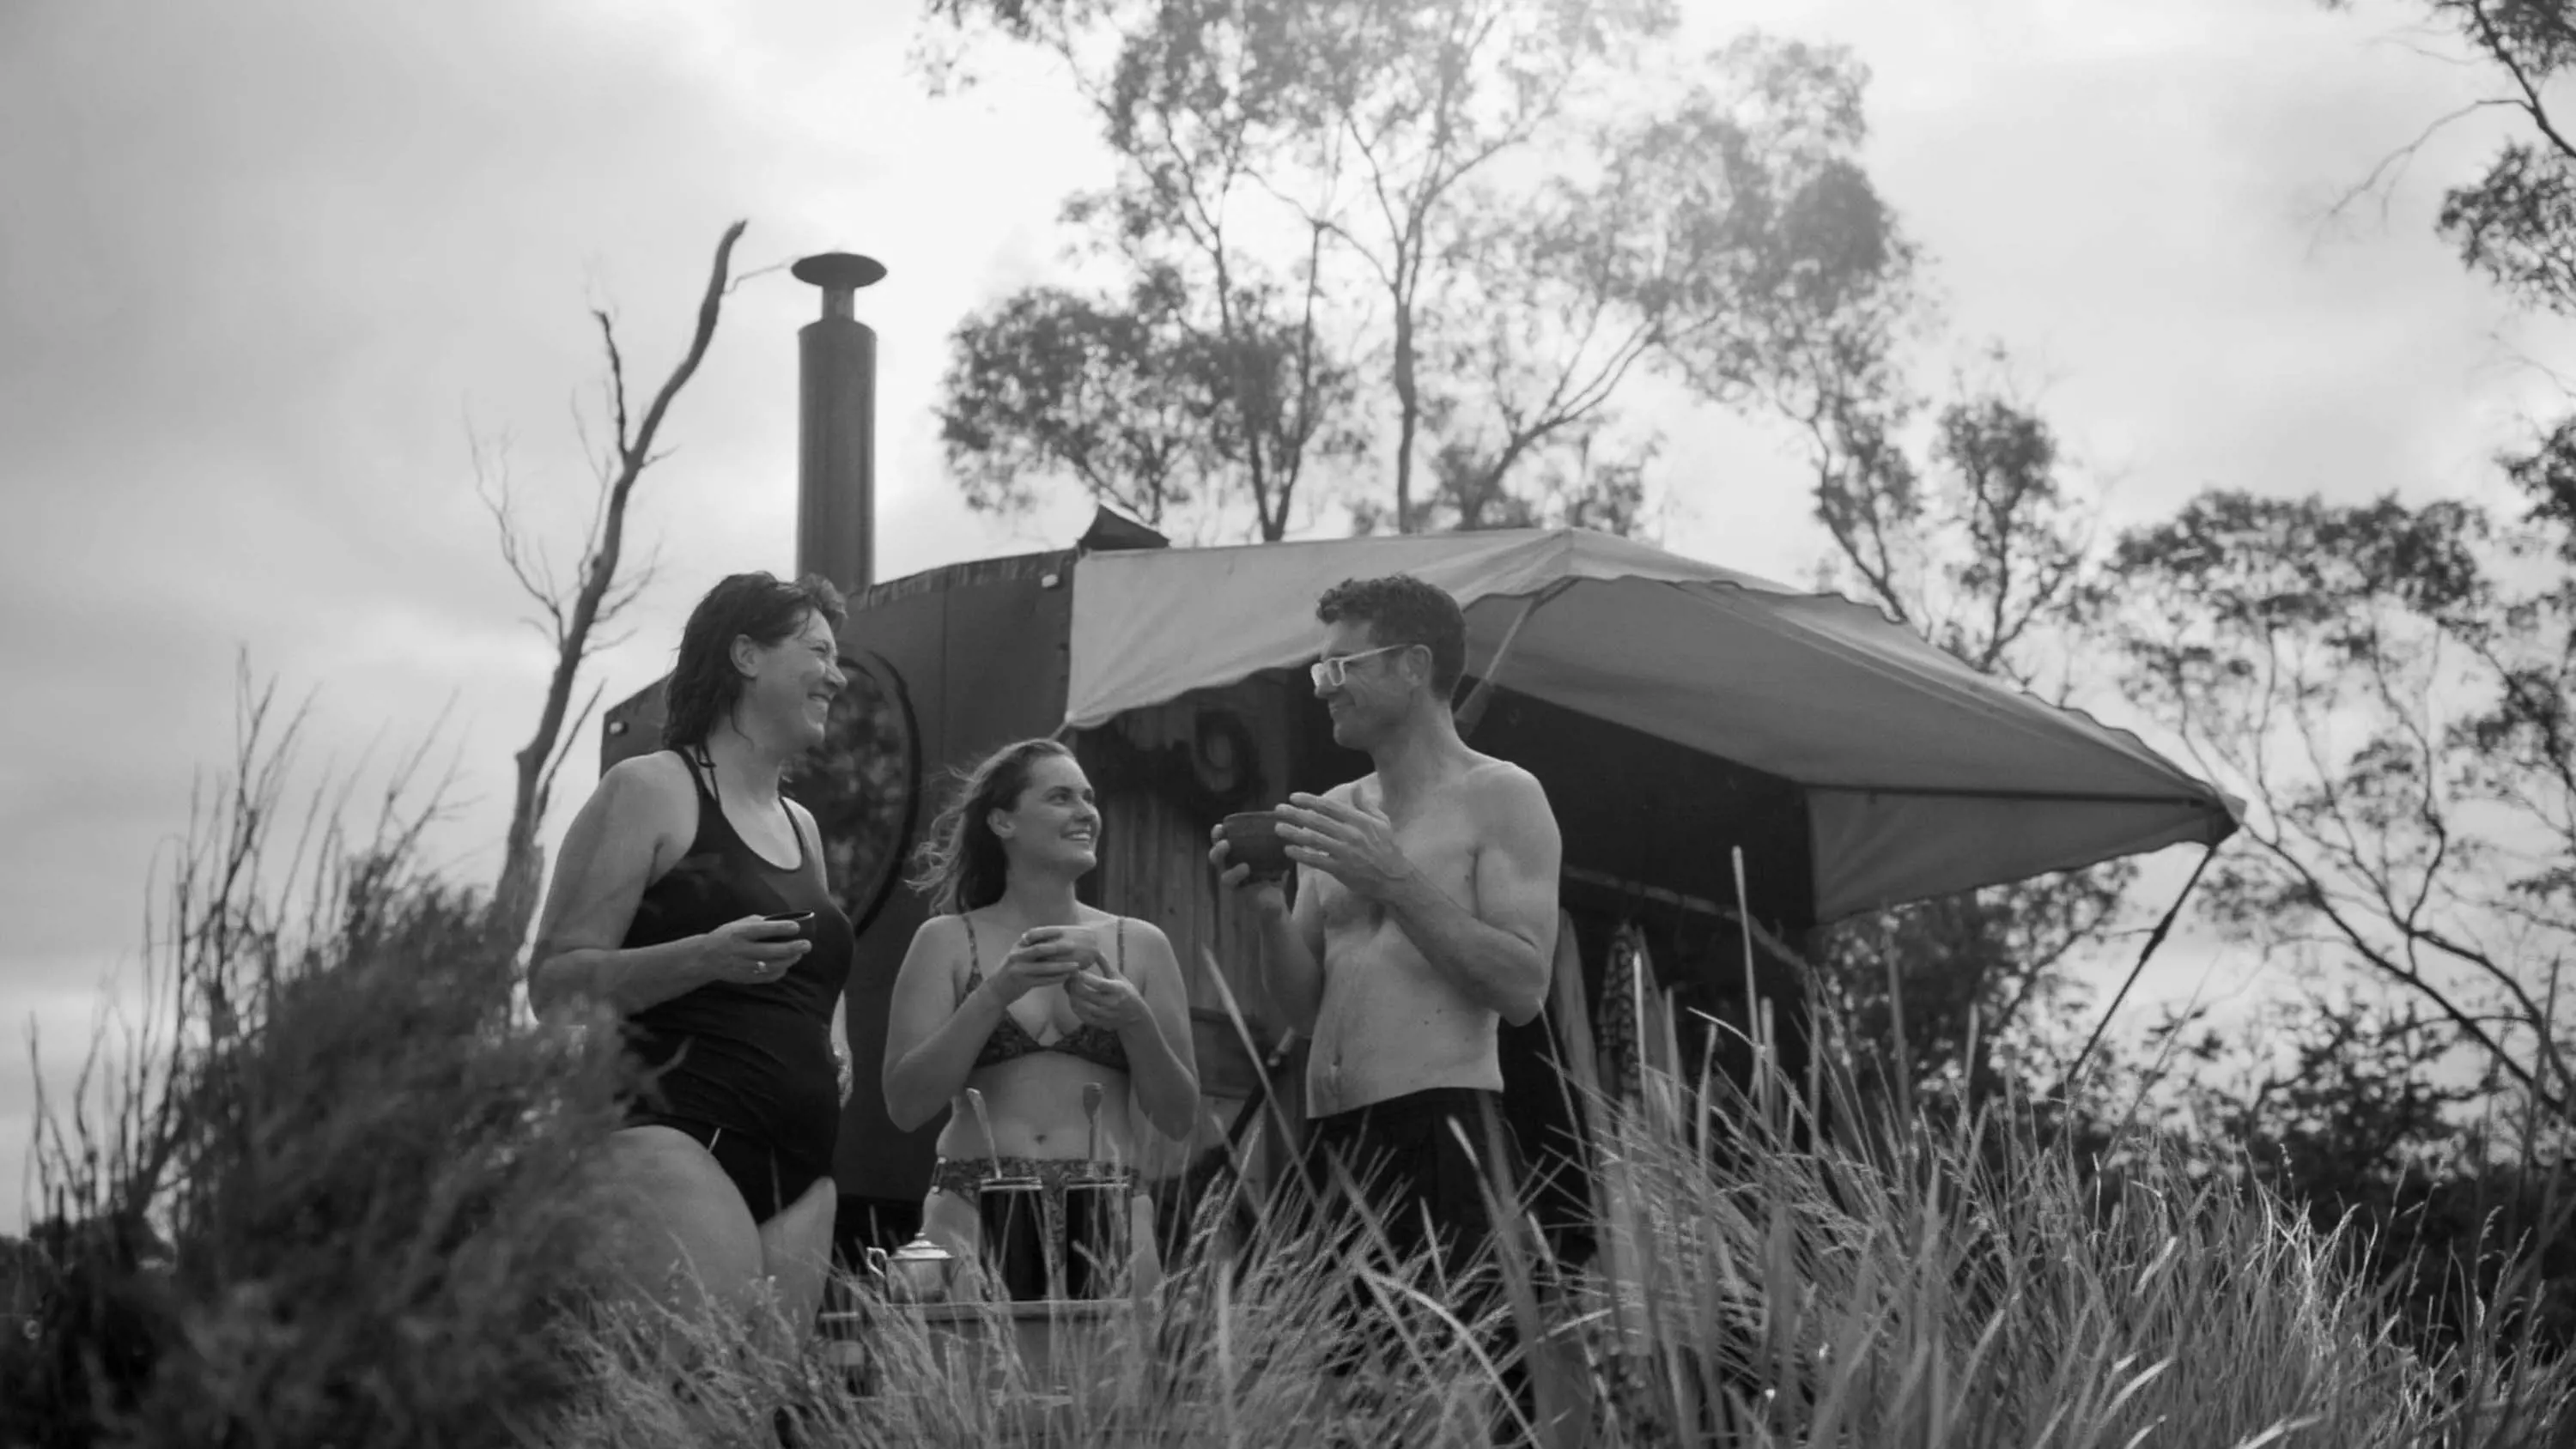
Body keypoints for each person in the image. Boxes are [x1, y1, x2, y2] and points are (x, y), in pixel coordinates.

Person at [527, 572, 856, 1343]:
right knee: (687, 1408)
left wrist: (835, 1043)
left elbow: (814, 968)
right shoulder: (649, 789)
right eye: (817, 650)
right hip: (676, 1138)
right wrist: (702, 957)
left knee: (750, 1418)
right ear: (746, 654)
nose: (837, 675)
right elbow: (554, 985)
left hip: (802, 1171)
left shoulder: (802, 826)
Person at [1211, 573, 1563, 1283]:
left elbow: (1524, 987)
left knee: (1446, 1389)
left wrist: (1392, 879)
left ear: (1414, 666)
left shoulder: (1501, 795)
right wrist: (1270, 915)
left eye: (1343, 667)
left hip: (1442, 1133)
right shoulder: (1338, 810)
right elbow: (1307, 1010)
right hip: (1331, 1141)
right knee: (1335, 1390)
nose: (1322, 687)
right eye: (1321, 668)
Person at [882, 738, 1198, 1292]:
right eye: (1060, 797)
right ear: (1003, 821)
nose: (1085, 813)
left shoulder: (1141, 944)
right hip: (971, 1210)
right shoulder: (947, 941)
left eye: (1088, 798)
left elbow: (1177, 1118)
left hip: (1112, 1215)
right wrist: (997, 991)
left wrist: (1136, 1022)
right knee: (983, 1379)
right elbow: (906, 1105)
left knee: (1109, 1381)